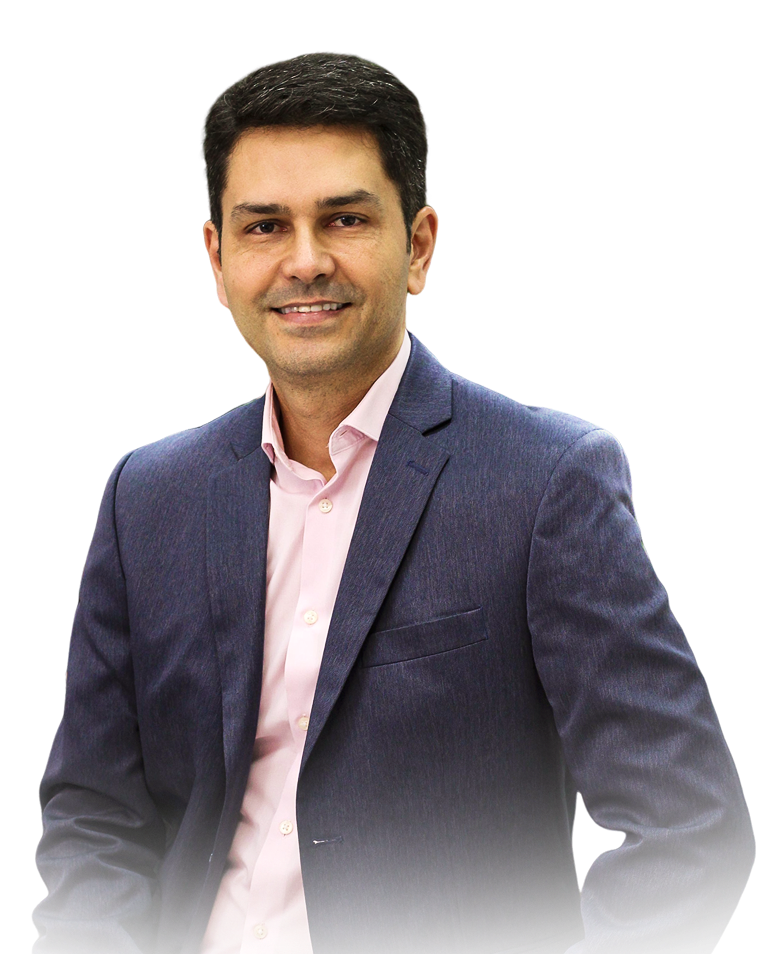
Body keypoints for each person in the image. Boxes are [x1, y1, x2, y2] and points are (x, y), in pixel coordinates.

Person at [33, 51, 754, 954]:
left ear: (417, 247)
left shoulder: (544, 479)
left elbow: (688, 827)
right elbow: (94, 819)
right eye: (264, 226)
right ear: (216, 259)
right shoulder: (148, 496)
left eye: (344, 219)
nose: (304, 261)